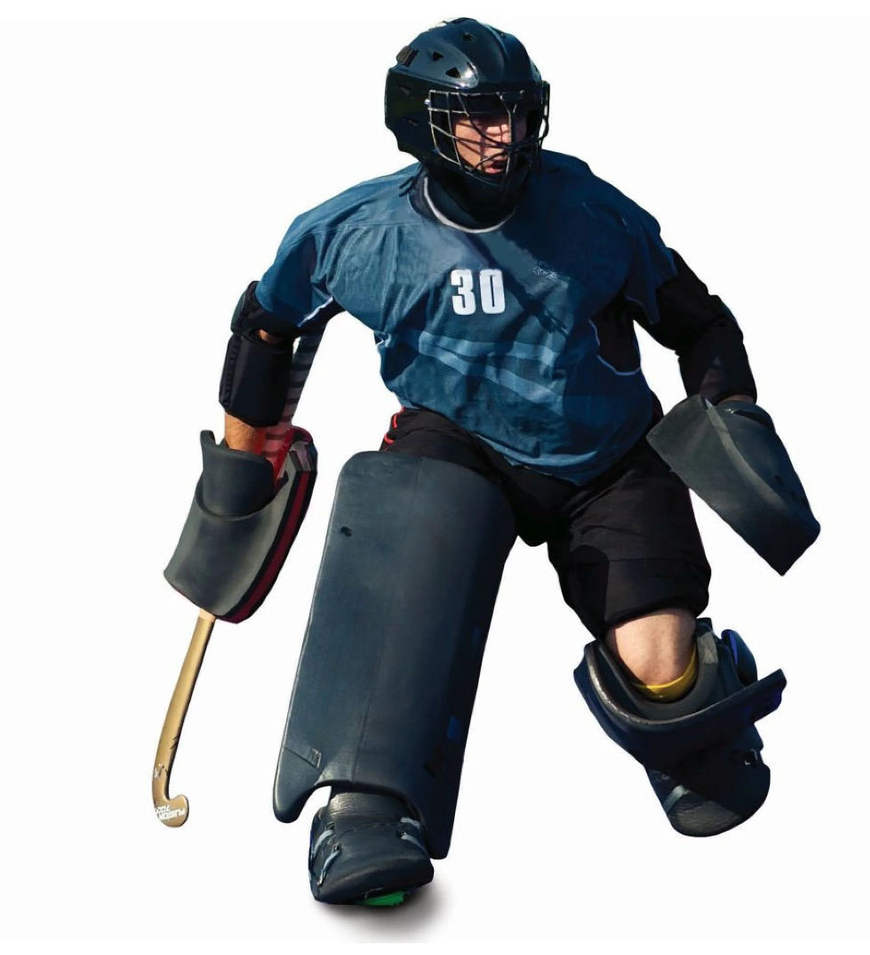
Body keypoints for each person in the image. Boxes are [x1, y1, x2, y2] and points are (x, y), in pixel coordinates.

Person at [215, 18, 790, 906]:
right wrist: (239, 470)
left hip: (604, 455)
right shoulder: (353, 233)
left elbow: (699, 322)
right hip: (456, 445)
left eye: (517, 114)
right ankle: (363, 809)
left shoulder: (593, 213)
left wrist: (735, 415)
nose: (504, 135)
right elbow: (266, 327)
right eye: (479, 116)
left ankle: (698, 696)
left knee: (661, 673)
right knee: (400, 596)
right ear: (420, 121)